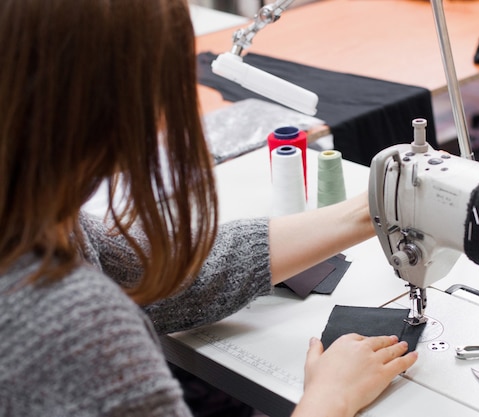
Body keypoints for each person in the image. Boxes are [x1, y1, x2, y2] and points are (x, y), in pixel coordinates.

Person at [0, 0, 418, 416]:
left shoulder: (35, 225)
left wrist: (371, 211)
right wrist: (330, 399)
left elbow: (146, 273)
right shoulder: (72, 329)